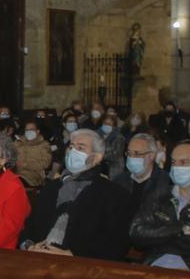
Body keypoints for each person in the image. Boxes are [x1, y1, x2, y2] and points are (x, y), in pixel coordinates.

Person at [19, 128, 132, 261]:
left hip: (82, 266)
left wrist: (72, 255)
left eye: (80, 148)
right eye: (71, 147)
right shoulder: (51, 187)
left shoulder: (113, 194)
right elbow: (29, 227)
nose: (73, 151)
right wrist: (29, 246)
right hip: (38, 259)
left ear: (96, 157)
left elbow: (116, 244)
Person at [129, 140, 190, 272]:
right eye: (174, 162)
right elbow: (137, 234)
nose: (176, 167)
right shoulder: (159, 195)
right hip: (154, 264)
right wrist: (180, 230)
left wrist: (158, 239)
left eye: (183, 162)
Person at [114, 133, 170, 217]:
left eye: (137, 153)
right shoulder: (119, 180)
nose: (132, 157)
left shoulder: (165, 182)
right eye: (129, 153)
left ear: (152, 155)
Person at [15, 119, 52, 188]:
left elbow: (45, 163)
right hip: (17, 173)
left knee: (18, 182)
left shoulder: (44, 144)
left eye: (31, 129)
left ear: (37, 131)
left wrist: (26, 164)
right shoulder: (18, 143)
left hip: (34, 175)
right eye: (27, 130)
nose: (29, 132)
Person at [99, 112, 126, 179]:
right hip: (100, 167)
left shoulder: (119, 137)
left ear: (114, 126)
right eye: (105, 123)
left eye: (109, 124)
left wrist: (99, 156)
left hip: (114, 168)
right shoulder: (98, 135)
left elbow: (116, 154)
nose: (106, 125)